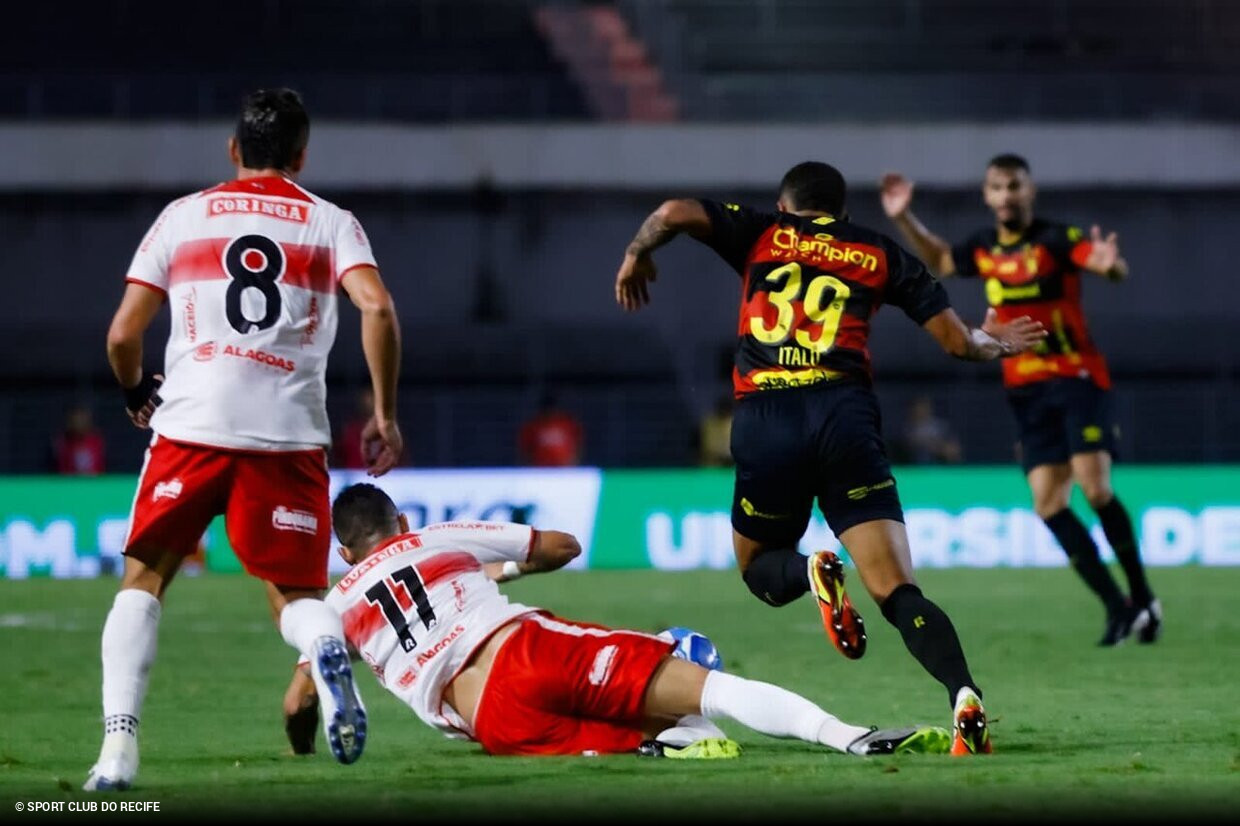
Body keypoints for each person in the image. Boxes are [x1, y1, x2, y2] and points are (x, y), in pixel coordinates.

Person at [613, 161, 1049, 756]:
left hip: (768, 415)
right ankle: (963, 695)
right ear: (843, 213)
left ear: (785, 203)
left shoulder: (763, 231)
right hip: (845, 418)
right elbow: (956, 342)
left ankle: (809, 569)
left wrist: (639, 253)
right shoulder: (879, 251)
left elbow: (672, 213)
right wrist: (992, 340)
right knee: (898, 592)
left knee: (760, 568)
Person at [87, 88, 404, 790]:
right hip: (287, 436)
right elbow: (377, 306)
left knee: (143, 583)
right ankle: (323, 641)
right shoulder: (330, 222)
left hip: (193, 425)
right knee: (295, 596)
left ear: (233, 151)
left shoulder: (184, 216)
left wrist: (137, 389)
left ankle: (117, 753)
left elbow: (121, 335)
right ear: (300, 157)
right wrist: (383, 414)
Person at [281, 483, 952, 759]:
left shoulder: (339, 604)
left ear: (344, 552)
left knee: (657, 735)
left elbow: (296, 705)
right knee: (702, 684)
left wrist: (304, 740)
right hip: (521, 650)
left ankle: (674, 739)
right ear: (399, 524)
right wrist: (501, 571)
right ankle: (851, 738)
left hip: (490, 721)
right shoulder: (434, 537)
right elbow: (560, 546)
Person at [879, 154, 1161, 647]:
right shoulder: (985, 247)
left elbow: (1104, 264)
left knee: (1095, 490)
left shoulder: (1056, 239)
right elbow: (942, 259)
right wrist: (903, 216)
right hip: (1025, 389)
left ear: (1030, 191)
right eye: (997, 187)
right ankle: (1117, 607)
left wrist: (1111, 266)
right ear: (987, 196)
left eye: (1014, 186)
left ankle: (1142, 598)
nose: (1006, 195)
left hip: (1076, 377)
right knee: (1049, 504)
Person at [517, 390, 584, 467]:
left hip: (564, 469)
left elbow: (578, 447)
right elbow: (524, 452)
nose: (550, 411)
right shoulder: (533, 426)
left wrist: (573, 464)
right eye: (547, 408)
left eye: (552, 408)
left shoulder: (567, 424)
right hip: (540, 470)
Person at [898, 395, 962, 465]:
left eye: (925, 407)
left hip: (941, 453)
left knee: (952, 449)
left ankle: (953, 471)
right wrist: (937, 447)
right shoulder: (908, 426)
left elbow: (950, 441)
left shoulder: (939, 424)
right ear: (913, 409)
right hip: (922, 457)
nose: (922, 410)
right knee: (923, 453)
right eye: (919, 407)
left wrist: (944, 447)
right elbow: (913, 443)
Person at [53, 405, 106, 475]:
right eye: (76, 421)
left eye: (82, 420)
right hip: (70, 483)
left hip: (94, 483)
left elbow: (100, 469)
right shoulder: (63, 444)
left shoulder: (96, 442)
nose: (79, 423)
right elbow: (63, 471)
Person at [334, 388, 375, 470]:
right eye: (367, 399)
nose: (370, 402)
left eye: (374, 399)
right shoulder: (350, 431)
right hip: (354, 475)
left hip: (385, 478)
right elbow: (339, 457)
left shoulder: (388, 432)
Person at [697, 394, 735, 467]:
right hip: (711, 466)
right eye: (722, 409)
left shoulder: (735, 423)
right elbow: (699, 447)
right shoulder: (708, 424)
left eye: (726, 409)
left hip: (731, 466)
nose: (724, 411)